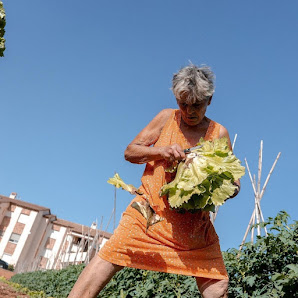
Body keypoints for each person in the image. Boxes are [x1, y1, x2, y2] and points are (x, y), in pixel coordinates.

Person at [68, 64, 240, 298]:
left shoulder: (218, 133)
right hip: (150, 214)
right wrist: (161, 152)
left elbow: (235, 184)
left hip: (194, 228)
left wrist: (209, 177)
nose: (189, 111)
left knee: (217, 286)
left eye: (196, 105)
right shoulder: (166, 118)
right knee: (109, 258)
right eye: (183, 103)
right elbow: (131, 152)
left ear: (209, 100)